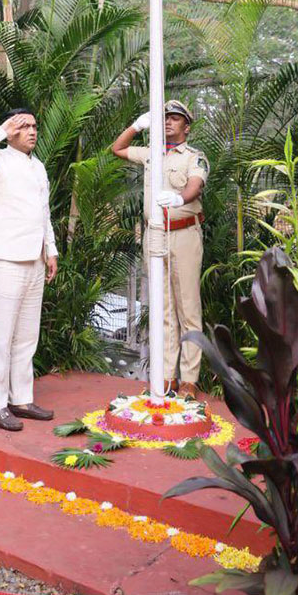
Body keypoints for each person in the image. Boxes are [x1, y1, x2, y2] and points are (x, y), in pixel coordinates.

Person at [0, 108, 59, 432]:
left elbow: (44, 213)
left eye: (34, 126)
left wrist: (52, 250)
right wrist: (2, 129)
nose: (32, 131)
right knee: (1, 336)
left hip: (34, 259)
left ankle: (21, 399)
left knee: (27, 337)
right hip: (5, 258)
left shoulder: (39, 167)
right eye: (24, 126)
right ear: (10, 130)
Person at [111, 100, 208, 397]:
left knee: (188, 308)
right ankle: (168, 376)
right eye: (164, 117)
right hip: (155, 235)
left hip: (184, 234)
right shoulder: (152, 152)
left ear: (186, 126)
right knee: (164, 308)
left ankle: (189, 379)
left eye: (175, 118)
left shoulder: (195, 156)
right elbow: (116, 149)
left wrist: (180, 199)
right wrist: (137, 126)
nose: (168, 122)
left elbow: (195, 185)